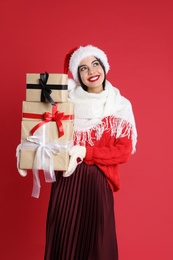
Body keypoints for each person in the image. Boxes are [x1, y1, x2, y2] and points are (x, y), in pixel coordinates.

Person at [44, 45, 137, 260]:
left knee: (97, 246)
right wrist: (28, 150)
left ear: (104, 66)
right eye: (83, 68)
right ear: (77, 75)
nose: (91, 72)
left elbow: (123, 152)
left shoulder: (119, 105)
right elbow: (47, 138)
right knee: (63, 242)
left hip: (97, 184)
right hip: (65, 182)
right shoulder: (65, 103)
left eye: (95, 64)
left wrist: (85, 151)